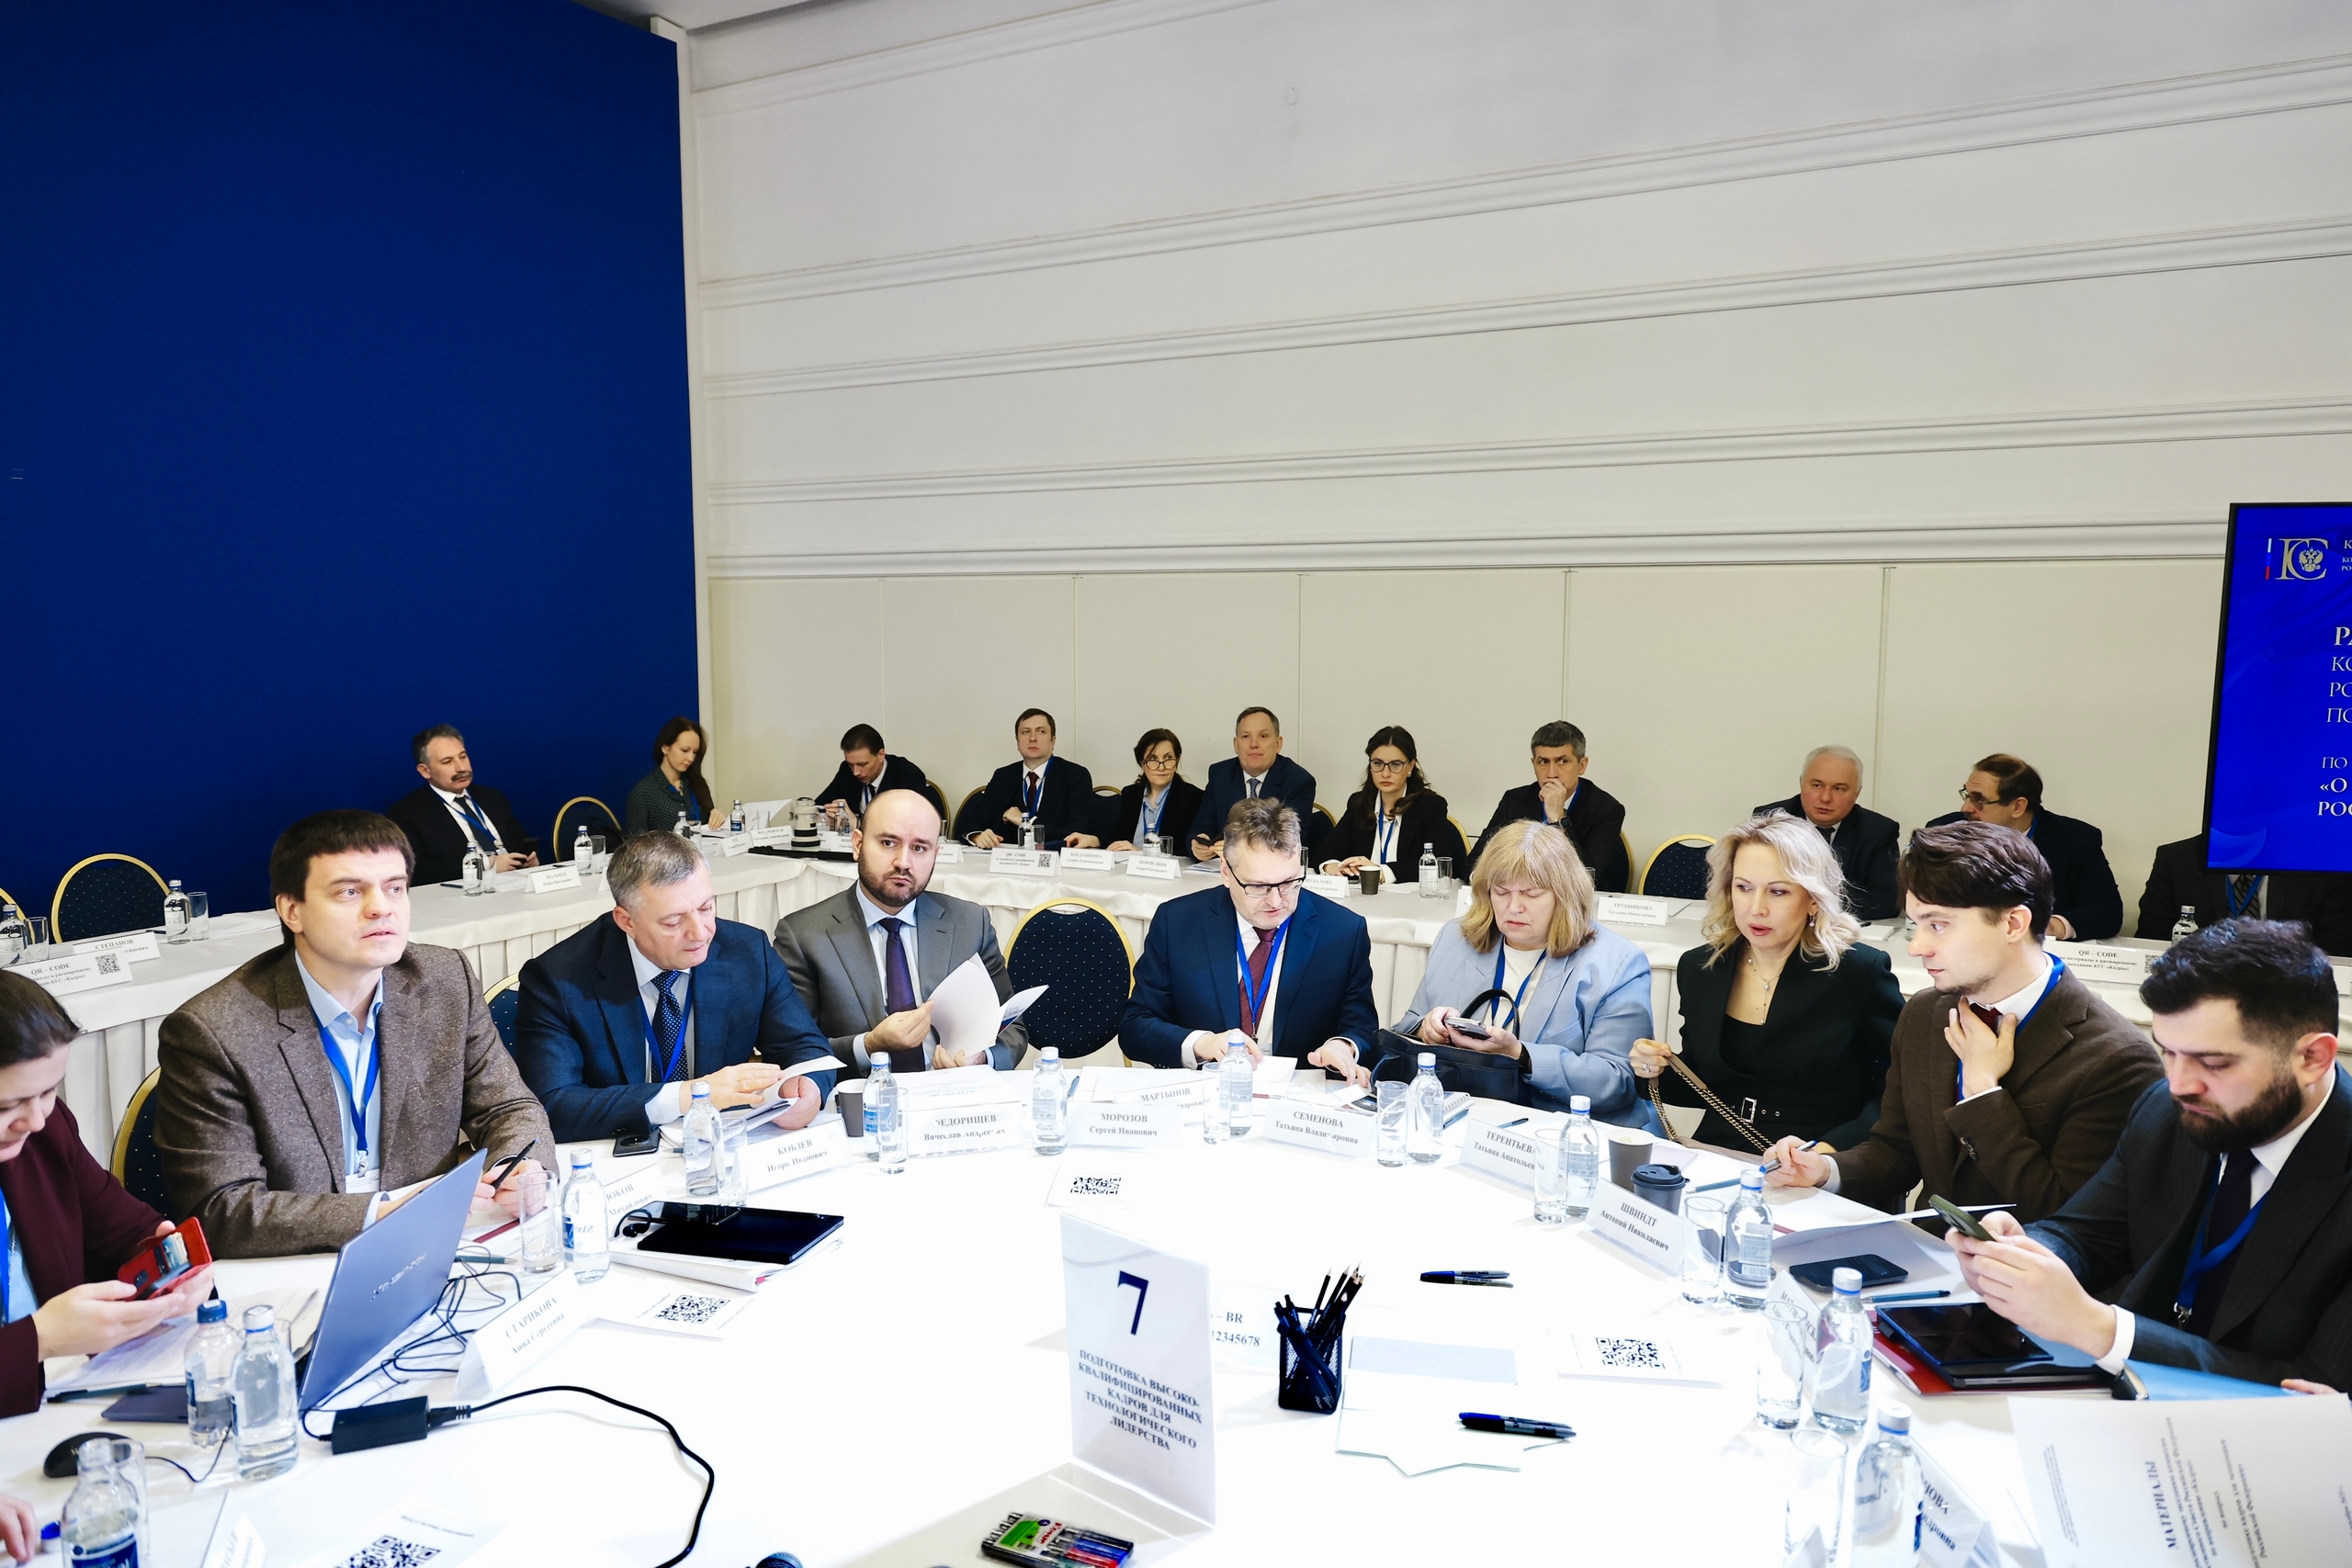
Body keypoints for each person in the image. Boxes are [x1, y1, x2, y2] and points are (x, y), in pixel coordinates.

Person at [1947, 919, 2352, 1390]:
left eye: (2213, 1063)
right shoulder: (2169, 1108)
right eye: (2169, 1053)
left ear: (2313, 1058)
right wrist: (2024, 1254)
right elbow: (2086, 1233)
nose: (2179, 1085)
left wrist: (2098, 1328)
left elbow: (2314, 1387)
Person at [155, 811, 552, 1257]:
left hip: (431, 1244)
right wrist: (381, 1214)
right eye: (349, 891)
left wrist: (520, 1166)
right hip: (296, 1261)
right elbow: (221, 1211)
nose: (381, 907)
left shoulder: (443, 980)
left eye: (395, 888)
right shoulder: (215, 1030)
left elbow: (507, 1106)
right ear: (292, 911)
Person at [1762, 822, 2162, 1225]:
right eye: (1916, 925)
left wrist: (1983, 1094)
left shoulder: (2117, 1059)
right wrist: (1826, 1171)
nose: (1917, 947)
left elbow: (2068, 1221)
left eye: (1938, 925)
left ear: (2013, 924)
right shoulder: (1926, 1013)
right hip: (1923, 1251)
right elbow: (1897, 1150)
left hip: (2021, 1263)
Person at [513, 833, 836, 1143]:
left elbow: (806, 1048)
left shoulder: (747, 952)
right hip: (615, 1153)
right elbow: (553, 1104)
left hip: (721, 1144)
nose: (700, 933)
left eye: (706, 908)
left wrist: (807, 1087)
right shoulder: (558, 980)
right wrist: (688, 1096)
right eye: (673, 921)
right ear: (627, 921)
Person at [0, 972, 217, 1418]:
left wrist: (166, 1264)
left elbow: (120, 1228)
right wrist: (39, 1339)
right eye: (6, 1106)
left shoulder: (44, 1131)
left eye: (48, 1091)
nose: (35, 1120)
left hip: (55, 1402)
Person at [1629, 811, 1903, 1150]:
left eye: (1778, 891)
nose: (1756, 908)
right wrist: (1654, 1070)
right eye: (1743, 888)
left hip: (1817, 1156)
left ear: (1813, 899)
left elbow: (1898, 1088)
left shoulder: (1858, 971)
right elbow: (1704, 1083)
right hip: (1719, 1150)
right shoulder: (1701, 967)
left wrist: (1830, 1151)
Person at [1395, 819, 1655, 1122]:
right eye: (1501, 891)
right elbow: (1405, 1028)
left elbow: (1618, 1081)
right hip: (1462, 1116)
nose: (1514, 907)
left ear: (1565, 896)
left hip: (1560, 1126)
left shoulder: (1617, 963)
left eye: (1531, 894)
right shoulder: (1456, 939)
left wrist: (1522, 1056)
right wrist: (1426, 1029)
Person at [1120, 797, 1375, 1083]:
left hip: (1299, 1096)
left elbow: (1361, 1027)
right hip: (1207, 1090)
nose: (1276, 901)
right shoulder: (1178, 923)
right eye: (1258, 886)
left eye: (1289, 882)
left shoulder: (1342, 931)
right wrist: (1201, 1044)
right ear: (1226, 872)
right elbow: (1135, 1028)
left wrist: (1343, 1046)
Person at [774, 790, 1026, 1077]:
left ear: (935, 855)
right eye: (888, 843)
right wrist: (869, 1045)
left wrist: (981, 1059)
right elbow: (792, 1050)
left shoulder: (970, 923)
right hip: (861, 1095)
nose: (904, 862)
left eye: (919, 848)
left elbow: (1011, 1026)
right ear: (857, 844)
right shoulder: (803, 935)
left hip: (953, 1093)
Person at [1925, 753, 2121, 941]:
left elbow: (2107, 912)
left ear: (2018, 806)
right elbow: (1921, 899)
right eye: (1967, 796)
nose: (1966, 808)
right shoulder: (1944, 832)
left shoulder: (2075, 839)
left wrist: (2051, 927)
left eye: (1979, 800)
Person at [1467, 721, 1630, 892]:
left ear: (1582, 765)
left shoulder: (1606, 809)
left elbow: (1587, 878)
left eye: (1563, 761)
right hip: (1518, 895)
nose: (1551, 774)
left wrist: (1558, 819)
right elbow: (1474, 865)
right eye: (1543, 762)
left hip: (1574, 904)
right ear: (1534, 764)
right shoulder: (1514, 801)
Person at [2134, 832, 2352, 957]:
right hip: (2197, 982)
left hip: (2288, 986)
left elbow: (2338, 947)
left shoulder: (2320, 864)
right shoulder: (2177, 859)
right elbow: (2152, 937)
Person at [1750, 744, 1899, 921]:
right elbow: (1747, 884)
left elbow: (1886, 902)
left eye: (1839, 789)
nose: (1825, 798)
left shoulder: (1879, 831)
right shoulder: (1769, 821)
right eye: (1817, 785)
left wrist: (1806, 900)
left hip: (1839, 930)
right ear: (1801, 783)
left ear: (1857, 793)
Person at [384, 723, 540, 884]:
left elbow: (521, 840)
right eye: (447, 761)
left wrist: (529, 858)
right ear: (425, 771)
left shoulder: (492, 797)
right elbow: (418, 870)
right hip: (465, 891)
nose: (461, 767)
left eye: (463, 757)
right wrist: (486, 865)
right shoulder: (407, 813)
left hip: (516, 883)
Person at [1317, 726, 1464, 884]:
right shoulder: (1359, 803)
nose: (1385, 773)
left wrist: (1381, 872)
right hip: (1362, 894)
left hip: (1410, 897)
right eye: (1377, 763)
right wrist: (1334, 866)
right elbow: (1326, 850)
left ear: (1410, 766)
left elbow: (1436, 864)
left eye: (1395, 765)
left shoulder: (1430, 806)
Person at [1189, 707, 1317, 862]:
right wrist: (1199, 842)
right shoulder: (1220, 774)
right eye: (1245, 736)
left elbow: (1292, 844)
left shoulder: (1298, 781)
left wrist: (1236, 849)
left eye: (1263, 736)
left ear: (1278, 744)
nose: (1254, 744)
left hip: (1271, 871)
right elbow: (1202, 824)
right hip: (1222, 870)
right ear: (1236, 744)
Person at [956, 709, 1096, 849]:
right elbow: (972, 822)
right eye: (1025, 732)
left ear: (1053, 740)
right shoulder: (1003, 776)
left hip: (1055, 858)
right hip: (1008, 858)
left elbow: (1078, 832)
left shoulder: (1075, 776)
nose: (1033, 738)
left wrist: (1027, 822)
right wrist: (977, 835)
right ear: (1017, 742)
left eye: (1041, 731)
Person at [1101, 729, 1203, 852]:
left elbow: (1184, 851)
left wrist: (1139, 853)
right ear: (1142, 763)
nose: (1161, 767)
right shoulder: (1131, 794)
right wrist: (1095, 841)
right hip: (1127, 863)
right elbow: (1116, 840)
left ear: (1177, 760)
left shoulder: (1192, 797)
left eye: (1168, 758)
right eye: (1153, 759)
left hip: (1167, 865)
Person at [812, 723, 929, 829]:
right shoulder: (846, 771)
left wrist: (857, 824)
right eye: (851, 764)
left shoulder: (908, 776)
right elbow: (820, 805)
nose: (855, 772)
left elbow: (914, 825)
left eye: (862, 764)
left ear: (881, 755)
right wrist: (827, 816)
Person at [624, 716, 720, 836]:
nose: (691, 758)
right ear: (665, 748)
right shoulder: (643, 793)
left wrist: (716, 818)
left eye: (695, 752)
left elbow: (708, 826)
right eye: (684, 750)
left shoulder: (697, 783)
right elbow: (635, 843)